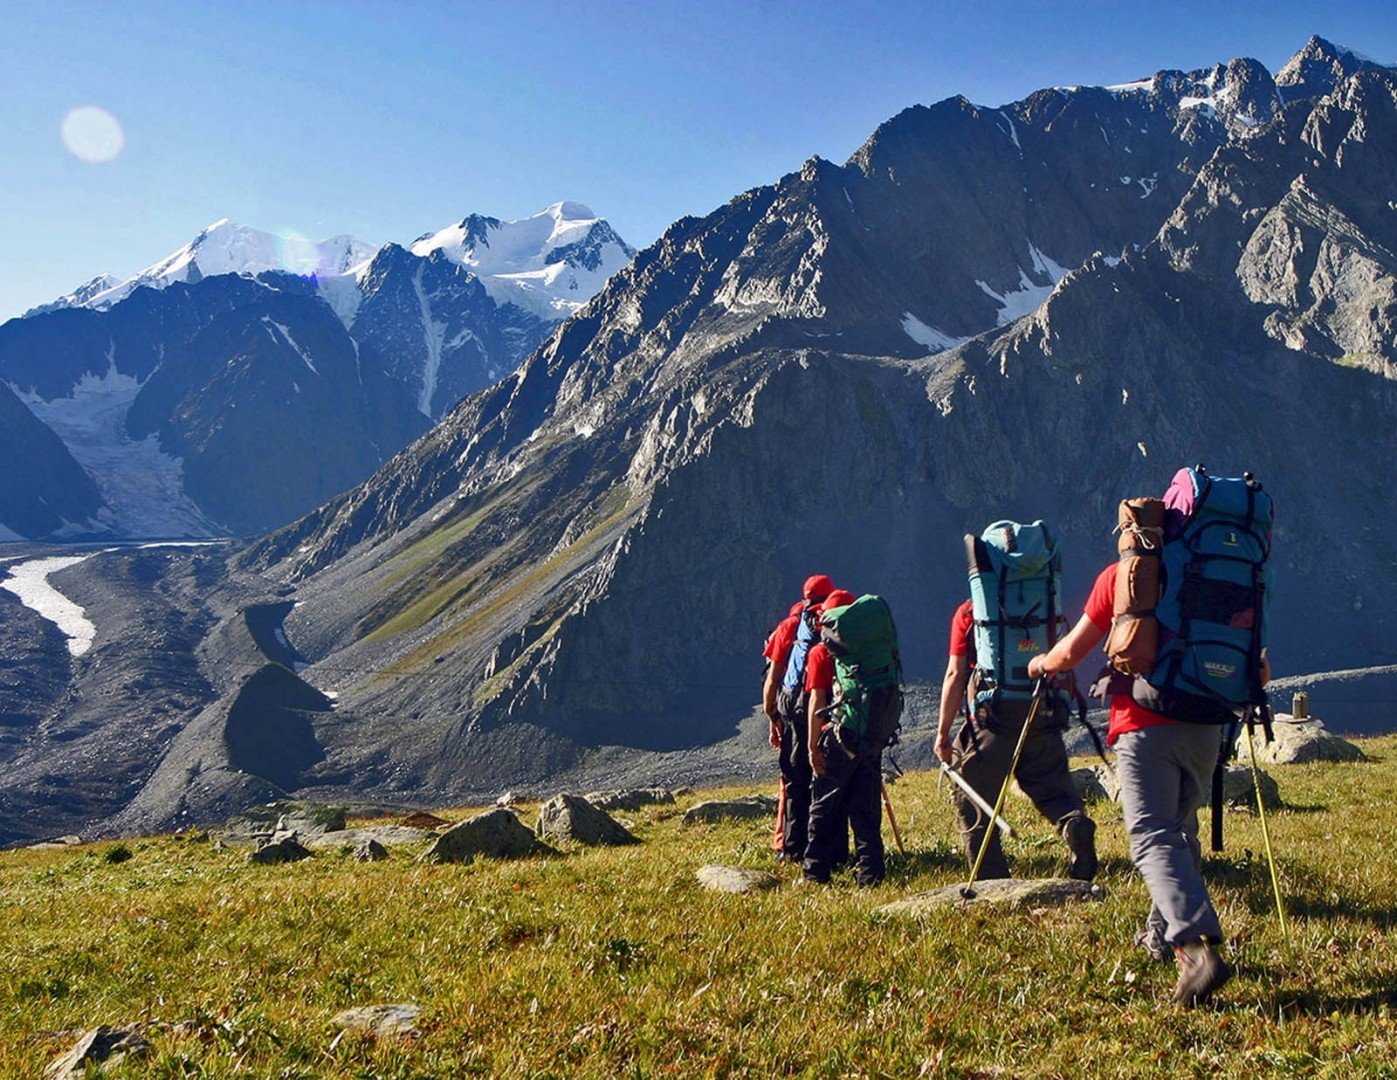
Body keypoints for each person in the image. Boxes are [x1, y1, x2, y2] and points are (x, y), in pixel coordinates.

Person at [1026, 567, 1271, 1007]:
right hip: (1206, 727)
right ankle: (1160, 937)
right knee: (1178, 832)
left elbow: (1071, 653)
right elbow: (1262, 670)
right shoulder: (1224, 573)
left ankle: (1194, 948)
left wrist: (1040, 663)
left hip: (1144, 724)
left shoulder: (1126, 573)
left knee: (1152, 836)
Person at [934, 597, 1098, 883]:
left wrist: (943, 732)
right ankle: (1074, 823)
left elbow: (955, 673)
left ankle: (991, 880)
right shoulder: (1042, 601)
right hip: (1042, 706)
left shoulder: (970, 612)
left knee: (972, 794)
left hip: (995, 717)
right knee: (1051, 783)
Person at [803, 589, 885, 886]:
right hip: (872, 736)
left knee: (824, 805)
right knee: (866, 808)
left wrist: (813, 747)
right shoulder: (872, 647)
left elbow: (816, 702)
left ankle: (815, 873)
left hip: (838, 737)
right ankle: (871, 874)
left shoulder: (821, 652)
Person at [761, 574, 834, 864]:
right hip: (827, 711)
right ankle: (826, 849)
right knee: (826, 780)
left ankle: (791, 850)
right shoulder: (835, 622)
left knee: (794, 782)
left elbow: (773, 679)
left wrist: (772, 716)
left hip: (793, 714)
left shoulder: (790, 626)